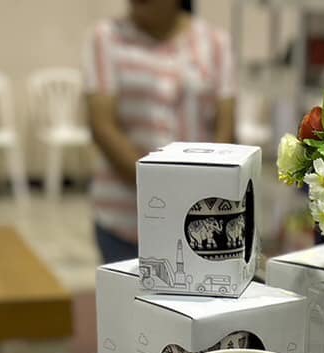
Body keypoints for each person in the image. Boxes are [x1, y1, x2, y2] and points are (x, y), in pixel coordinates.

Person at [82, 0, 237, 264]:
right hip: (125, 220)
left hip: (199, 216)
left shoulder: (215, 42)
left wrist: (200, 195)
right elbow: (103, 127)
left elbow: (226, 130)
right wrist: (163, 191)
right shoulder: (106, 37)